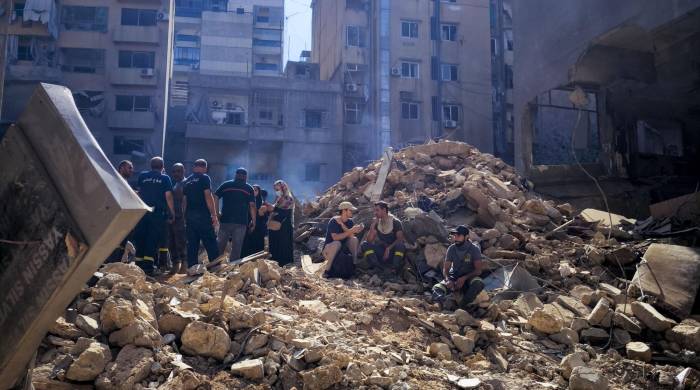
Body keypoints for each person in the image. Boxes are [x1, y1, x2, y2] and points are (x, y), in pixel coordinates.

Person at [132, 157, 175, 276]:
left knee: (141, 238)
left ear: (151, 166)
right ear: (162, 167)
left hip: (143, 212)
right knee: (152, 239)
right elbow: (168, 196)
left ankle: (138, 266)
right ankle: (148, 268)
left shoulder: (142, 176)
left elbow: (139, 193)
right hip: (157, 214)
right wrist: (172, 212)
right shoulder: (164, 178)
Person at [431, 225, 484, 309]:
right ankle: (444, 305)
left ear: (466, 237)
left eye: (458, 236)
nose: (456, 238)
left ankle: (462, 306)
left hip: (469, 277)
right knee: (437, 288)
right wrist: (448, 280)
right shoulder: (451, 248)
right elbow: (446, 268)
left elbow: (478, 270)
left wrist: (464, 278)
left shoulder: (474, 249)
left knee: (478, 283)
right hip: (454, 276)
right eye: (455, 236)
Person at [182, 159, 220, 270]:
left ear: (194, 167)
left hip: (190, 217)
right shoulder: (205, 177)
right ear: (205, 168)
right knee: (210, 241)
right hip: (203, 216)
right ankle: (215, 267)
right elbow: (208, 196)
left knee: (192, 244)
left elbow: (184, 201)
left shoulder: (187, 181)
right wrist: (214, 215)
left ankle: (192, 269)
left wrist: (185, 217)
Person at [214, 168, 257, 262]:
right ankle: (233, 268)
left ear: (236, 175)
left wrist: (216, 213)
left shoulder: (226, 185)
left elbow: (216, 196)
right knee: (237, 247)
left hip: (225, 220)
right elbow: (252, 205)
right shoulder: (248, 188)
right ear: (246, 177)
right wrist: (254, 221)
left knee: (220, 244)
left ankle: (215, 266)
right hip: (241, 222)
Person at [360, 201, 406, 274]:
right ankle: (377, 267)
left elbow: (400, 239)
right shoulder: (378, 222)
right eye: (375, 210)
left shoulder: (395, 222)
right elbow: (369, 240)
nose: (375, 213)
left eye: (377, 210)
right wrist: (372, 226)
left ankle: (394, 268)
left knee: (400, 245)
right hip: (382, 251)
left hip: (393, 252)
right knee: (364, 245)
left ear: (384, 210)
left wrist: (389, 248)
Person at [322, 201, 362, 275]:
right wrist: (351, 230)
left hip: (342, 249)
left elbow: (351, 236)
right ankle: (327, 270)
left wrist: (343, 225)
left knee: (354, 240)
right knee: (337, 243)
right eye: (350, 210)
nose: (352, 212)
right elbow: (335, 238)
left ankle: (354, 265)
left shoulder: (350, 222)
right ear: (344, 211)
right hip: (329, 249)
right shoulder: (333, 221)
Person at [107, 160, 135, 263]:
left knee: (123, 244)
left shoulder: (125, 182)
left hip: (124, 218)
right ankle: (111, 267)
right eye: (130, 167)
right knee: (117, 244)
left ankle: (117, 265)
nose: (132, 170)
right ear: (122, 168)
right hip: (116, 218)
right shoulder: (116, 180)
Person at [266, 180, 294, 266]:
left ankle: (283, 262)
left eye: (278, 189)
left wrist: (273, 209)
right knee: (275, 243)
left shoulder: (288, 198)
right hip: (276, 224)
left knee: (283, 244)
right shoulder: (279, 198)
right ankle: (275, 260)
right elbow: (275, 208)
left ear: (283, 188)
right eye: (275, 189)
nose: (276, 191)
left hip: (284, 225)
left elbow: (285, 211)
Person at [168, 163, 188, 274]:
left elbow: (185, 201)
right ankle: (175, 264)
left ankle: (184, 265)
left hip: (181, 218)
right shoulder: (175, 184)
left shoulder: (186, 183)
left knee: (181, 242)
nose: (176, 173)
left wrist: (184, 217)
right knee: (172, 242)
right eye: (174, 171)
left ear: (183, 171)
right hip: (173, 218)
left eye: (178, 171)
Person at [242, 185, 270, 256]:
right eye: (252, 190)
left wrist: (261, 214)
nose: (253, 192)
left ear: (259, 192)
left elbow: (266, 217)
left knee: (257, 246)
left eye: (255, 190)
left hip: (259, 228)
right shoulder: (246, 201)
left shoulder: (262, 203)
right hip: (247, 226)